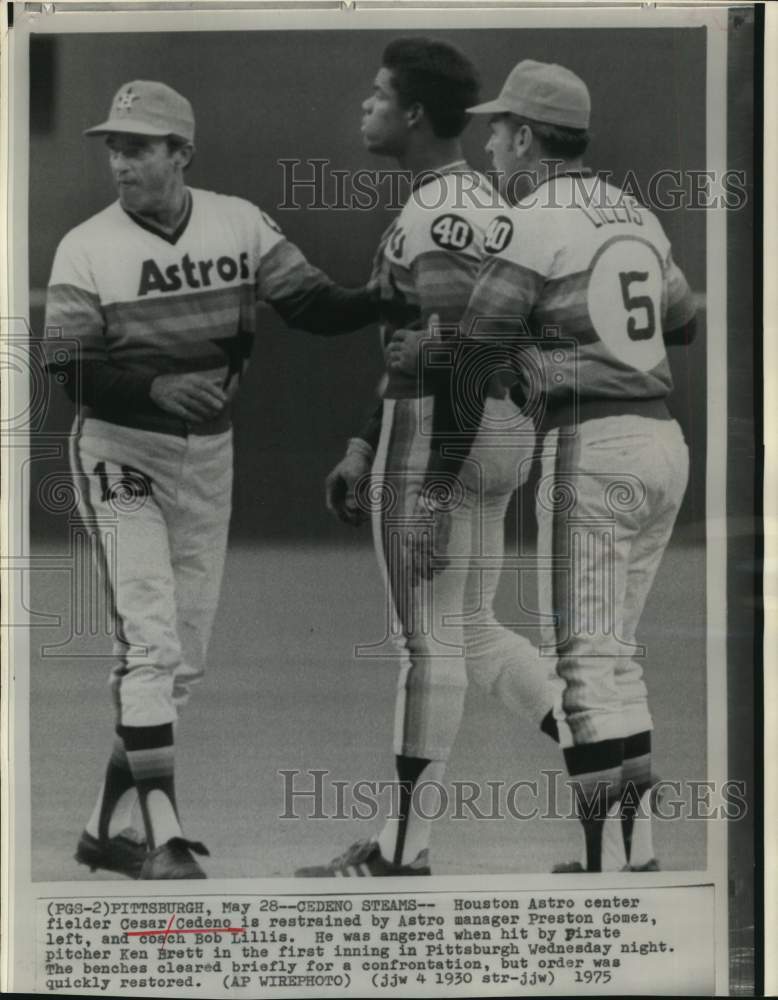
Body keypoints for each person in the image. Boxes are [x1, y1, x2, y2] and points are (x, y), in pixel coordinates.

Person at [45, 80, 379, 879]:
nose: (121, 161)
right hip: (120, 451)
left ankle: (101, 830)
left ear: (182, 153)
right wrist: (151, 387)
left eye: (139, 145)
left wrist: (392, 296)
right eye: (114, 147)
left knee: (181, 660)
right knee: (152, 644)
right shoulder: (86, 245)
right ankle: (163, 836)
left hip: (207, 456)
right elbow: (66, 366)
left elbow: (314, 306)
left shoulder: (236, 220)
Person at [403, 60, 698, 871]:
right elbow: (681, 322)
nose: (491, 142)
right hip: (662, 444)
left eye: (500, 127)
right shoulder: (633, 210)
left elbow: (472, 358)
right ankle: (637, 858)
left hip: (592, 449)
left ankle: (609, 865)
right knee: (615, 655)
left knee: (582, 669)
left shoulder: (530, 219)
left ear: (527, 136)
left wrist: (431, 493)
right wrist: (559, 349)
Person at [297, 38, 562, 879]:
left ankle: (401, 852)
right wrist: (360, 439)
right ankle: (605, 750)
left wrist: (433, 490)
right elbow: (438, 347)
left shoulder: (435, 213)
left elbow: (454, 355)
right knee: (472, 632)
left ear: (414, 112)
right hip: (500, 431)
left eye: (378, 95)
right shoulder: (481, 201)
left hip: (446, 432)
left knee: (426, 646)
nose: (365, 107)